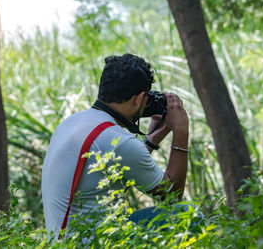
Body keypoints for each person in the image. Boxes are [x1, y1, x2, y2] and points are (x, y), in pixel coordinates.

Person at [41, 53, 189, 240]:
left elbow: (103, 183)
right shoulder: (118, 140)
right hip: (94, 243)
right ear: (139, 99)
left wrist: (153, 138)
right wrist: (181, 132)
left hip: (64, 242)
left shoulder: (71, 124)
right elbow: (172, 196)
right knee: (188, 215)